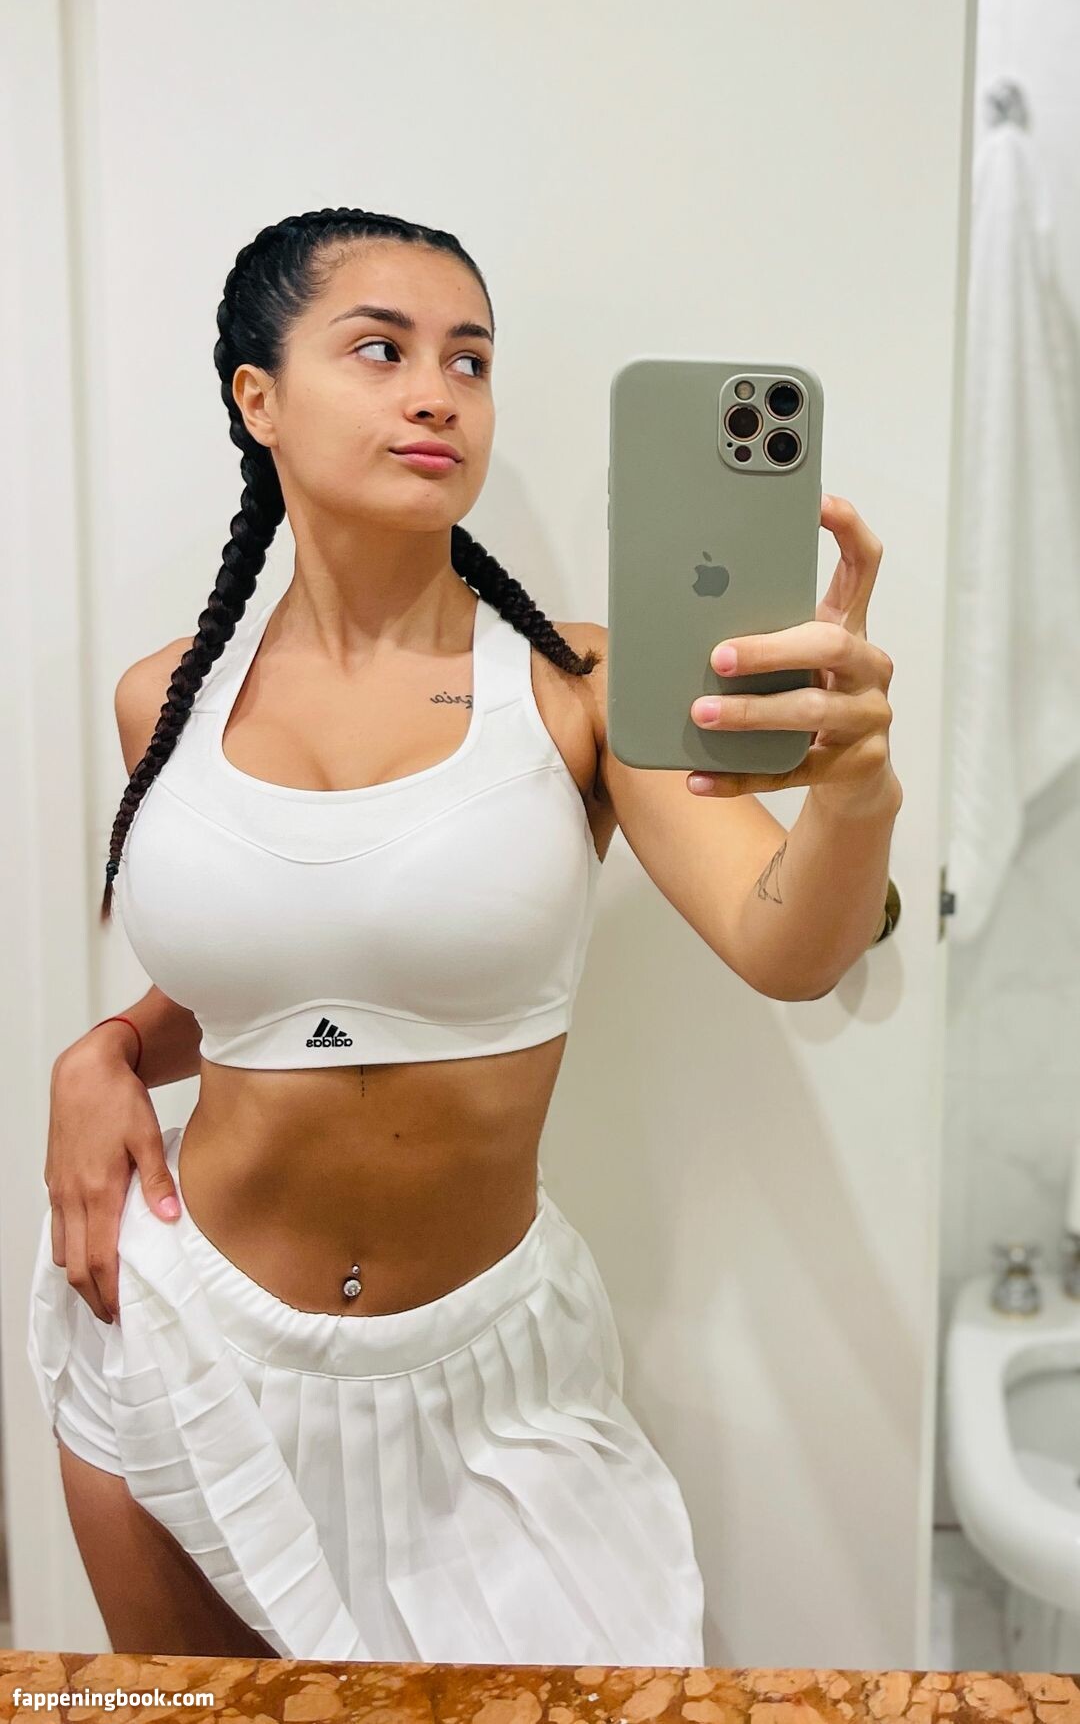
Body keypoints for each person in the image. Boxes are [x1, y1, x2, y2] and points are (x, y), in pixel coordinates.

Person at [28, 207, 901, 1666]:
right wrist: (106, 1048)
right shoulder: (164, 698)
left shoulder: (577, 686)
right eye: (382, 350)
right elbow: (279, 978)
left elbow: (787, 948)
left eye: (471, 360)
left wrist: (860, 790)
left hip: (489, 1383)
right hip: (179, 1348)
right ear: (259, 398)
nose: (439, 393)